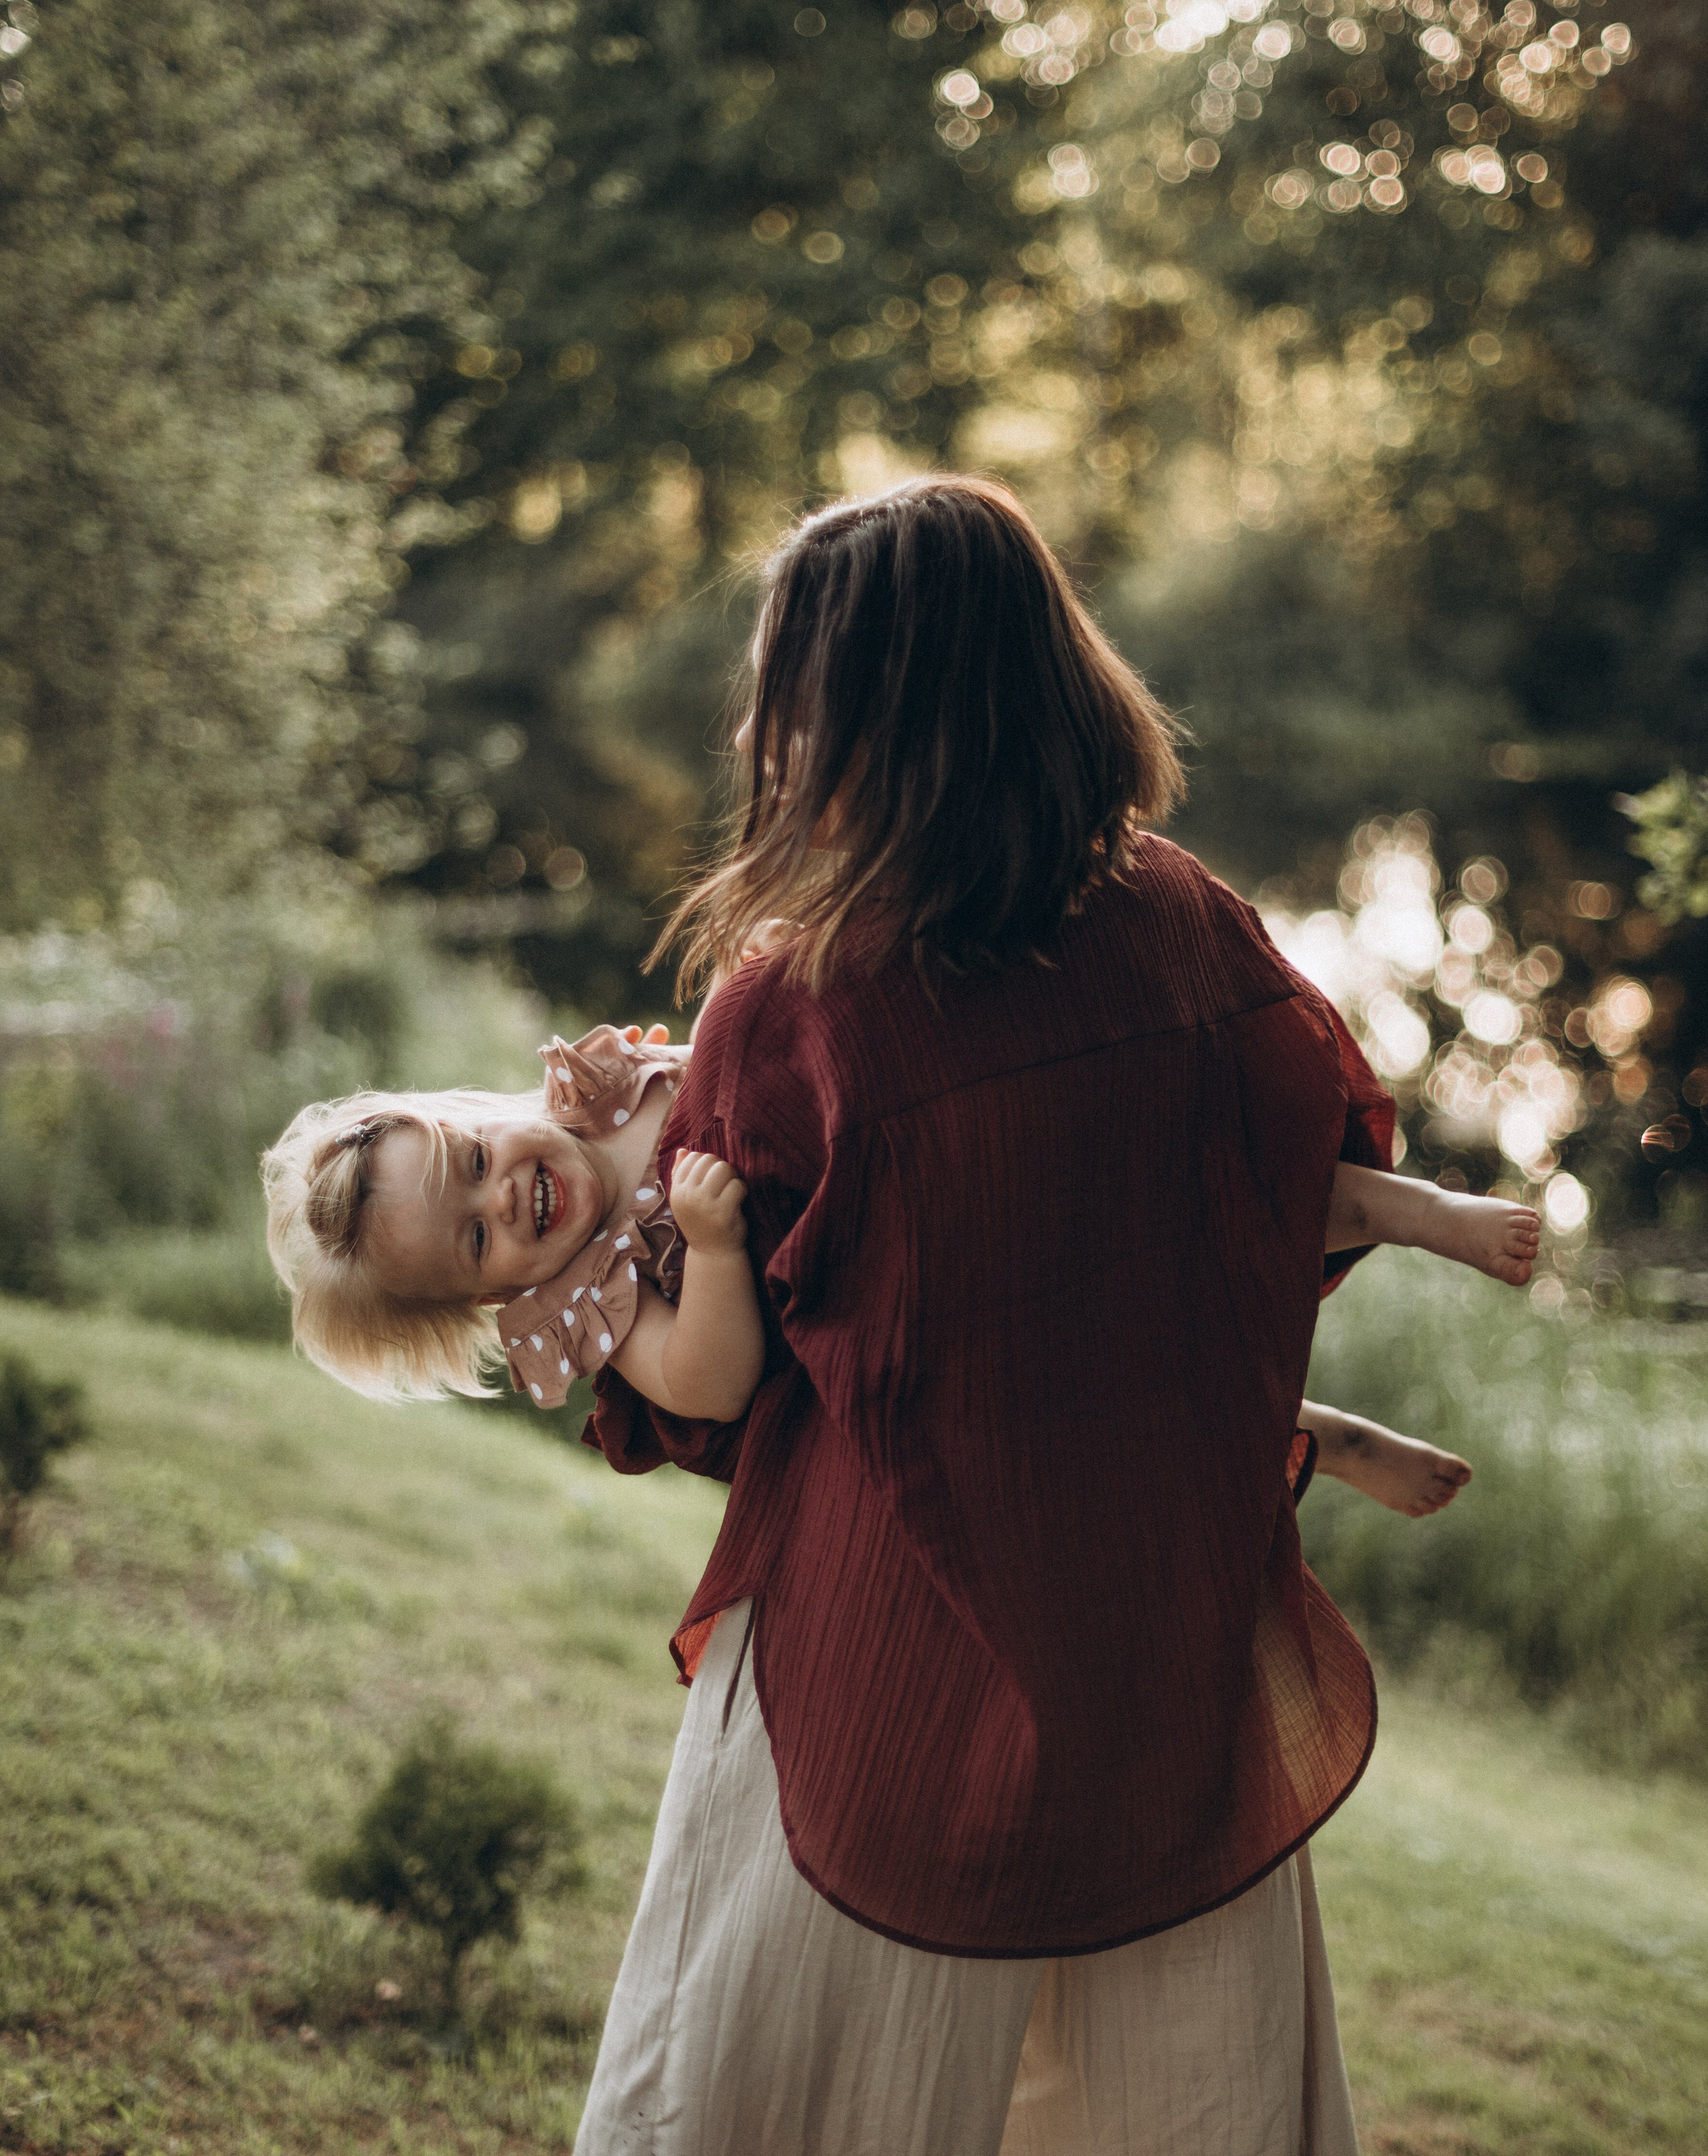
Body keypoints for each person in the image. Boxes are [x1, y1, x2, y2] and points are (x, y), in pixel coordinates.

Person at [264, 476, 1530, 2155]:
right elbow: (1251, 1205)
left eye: (784, 700)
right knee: (1178, 2097)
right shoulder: (1177, 917)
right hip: (1153, 1625)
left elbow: (736, 1386)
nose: (753, 740)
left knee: (776, 2096)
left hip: (883, 1658)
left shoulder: (792, 1013)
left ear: (890, 719)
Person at [264, 1028, 1519, 1522]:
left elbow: (760, 1054)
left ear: (477, 1111)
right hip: (910, 1317)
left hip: (927, 1176)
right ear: (492, 1300)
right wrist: (710, 1251)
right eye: (476, 1240)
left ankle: (1406, 1208)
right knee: (1116, 1369)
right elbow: (707, 1384)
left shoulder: (601, 1092)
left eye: (476, 1159)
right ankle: (1319, 1437)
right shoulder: (587, 1300)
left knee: (1150, 1183)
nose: (504, 1196)